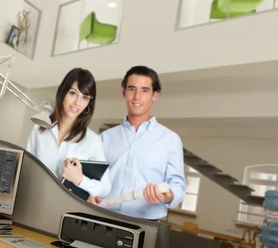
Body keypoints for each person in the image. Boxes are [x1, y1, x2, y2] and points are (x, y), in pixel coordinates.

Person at [89, 66, 186, 220]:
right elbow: (92, 180)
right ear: (124, 92)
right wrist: (91, 195)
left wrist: (168, 195)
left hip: (146, 224)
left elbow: (178, 186)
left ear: (155, 95)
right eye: (131, 89)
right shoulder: (105, 138)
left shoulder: (170, 140)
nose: (137, 97)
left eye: (145, 90)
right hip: (103, 217)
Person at [26, 68, 111, 199]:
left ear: (89, 102)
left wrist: (80, 180)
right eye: (73, 93)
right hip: (34, 200)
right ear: (63, 93)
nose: (77, 102)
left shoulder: (93, 141)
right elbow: (27, 169)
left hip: (67, 207)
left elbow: (105, 188)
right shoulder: (39, 128)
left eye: (85, 97)